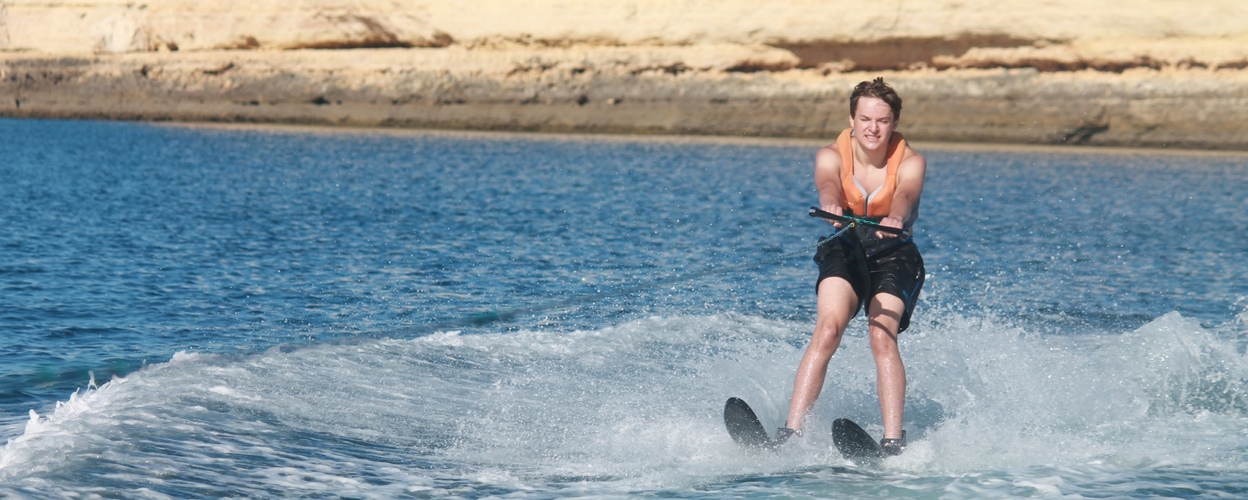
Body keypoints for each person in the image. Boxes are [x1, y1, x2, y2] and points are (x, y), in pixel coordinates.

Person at [778, 77, 927, 456]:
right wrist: (830, 201)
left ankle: (893, 441)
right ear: (852, 118)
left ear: (894, 123)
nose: (872, 129)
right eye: (865, 119)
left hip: (894, 253)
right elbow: (827, 183)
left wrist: (896, 217)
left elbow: (906, 195)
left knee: (881, 336)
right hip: (844, 248)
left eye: (882, 121)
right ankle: (791, 433)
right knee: (828, 329)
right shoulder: (830, 154)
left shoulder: (911, 161)